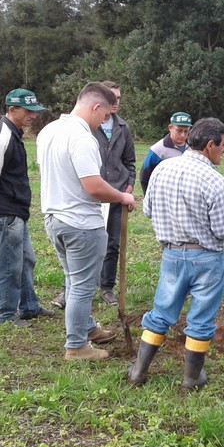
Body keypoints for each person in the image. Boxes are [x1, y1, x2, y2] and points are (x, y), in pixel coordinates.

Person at [127, 118, 224, 389]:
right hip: (206, 260)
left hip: (171, 255)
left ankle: (138, 372)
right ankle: (192, 378)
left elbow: (148, 211)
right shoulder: (215, 181)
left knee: (160, 313)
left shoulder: (162, 169)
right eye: (223, 145)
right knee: (201, 318)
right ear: (210, 145)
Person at [37, 82, 136, 361]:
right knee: (81, 286)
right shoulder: (82, 138)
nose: (104, 122)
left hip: (55, 218)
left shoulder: (49, 131)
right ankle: (77, 346)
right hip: (80, 223)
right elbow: (93, 186)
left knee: (73, 279)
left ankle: (87, 327)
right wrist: (122, 197)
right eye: (104, 116)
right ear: (95, 107)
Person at [0, 88, 53, 327]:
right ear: (11, 109)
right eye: (28, 111)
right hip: (4, 212)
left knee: (26, 260)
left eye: (35, 111)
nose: (33, 116)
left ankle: (28, 307)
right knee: (9, 265)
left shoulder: (12, 133)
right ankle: (5, 316)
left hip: (15, 211)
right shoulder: (2, 135)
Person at [51, 81, 136, 309]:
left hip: (112, 194)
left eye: (118, 99)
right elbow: (88, 181)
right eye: (112, 101)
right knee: (80, 264)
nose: (115, 104)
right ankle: (68, 298)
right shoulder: (83, 132)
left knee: (111, 244)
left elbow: (130, 162)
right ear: (97, 105)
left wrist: (127, 186)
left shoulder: (122, 128)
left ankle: (106, 288)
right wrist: (118, 195)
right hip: (85, 203)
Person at [138, 111, 192, 193]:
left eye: (186, 131)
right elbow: (145, 177)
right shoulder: (157, 150)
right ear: (170, 127)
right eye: (179, 130)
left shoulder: (194, 148)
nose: (183, 135)